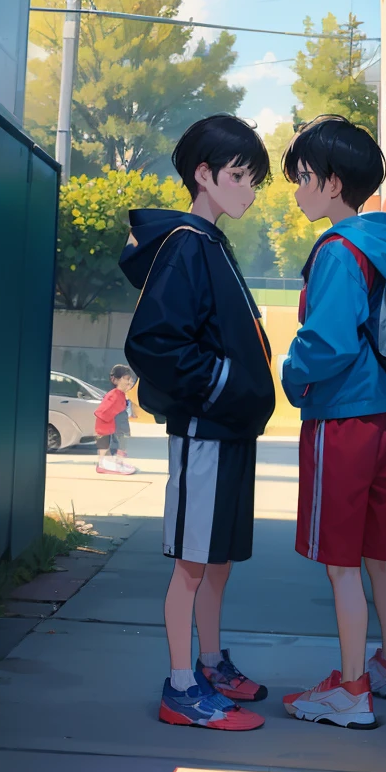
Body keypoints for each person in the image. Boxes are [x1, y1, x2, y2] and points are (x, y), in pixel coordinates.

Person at [279, 115, 386, 728]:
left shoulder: (339, 250)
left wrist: (292, 376)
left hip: (339, 417)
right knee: (379, 553)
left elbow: (328, 340)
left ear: (331, 182)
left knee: (340, 560)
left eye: (302, 178)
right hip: (381, 418)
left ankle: (350, 689)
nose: (297, 191)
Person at [120, 115, 277, 731]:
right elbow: (154, 343)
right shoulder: (188, 243)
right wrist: (222, 387)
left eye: (254, 179)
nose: (249, 189)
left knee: (216, 559)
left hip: (229, 429)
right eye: (239, 176)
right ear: (203, 176)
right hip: (206, 431)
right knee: (192, 561)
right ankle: (182, 687)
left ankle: (209, 664)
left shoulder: (209, 242)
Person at [94, 365, 137, 476]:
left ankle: (114, 463)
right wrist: (105, 429)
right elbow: (103, 412)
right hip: (111, 428)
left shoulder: (120, 394)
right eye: (127, 379)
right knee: (117, 445)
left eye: (130, 379)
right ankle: (108, 465)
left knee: (119, 444)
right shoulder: (114, 395)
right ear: (115, 380)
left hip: (115, 427)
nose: (130, 382)